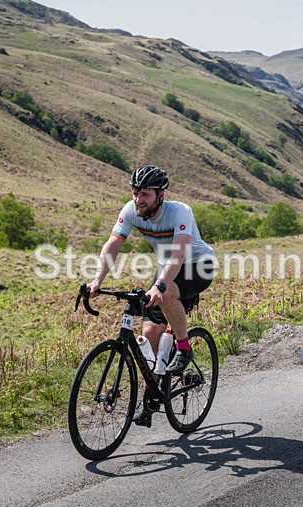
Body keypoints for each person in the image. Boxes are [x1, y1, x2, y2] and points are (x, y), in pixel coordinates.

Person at [87, 165, 216, 425]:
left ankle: (183, 346)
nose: (138, 200)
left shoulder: (179, 211)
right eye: (135, 193)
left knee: (166, 294)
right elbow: (112, 245)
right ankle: (152, 396)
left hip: (198, 265)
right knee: (149, 334)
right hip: (167, 269)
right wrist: (97, 280)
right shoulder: (131, 211)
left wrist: (159, 286)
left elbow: (179, 254)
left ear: (160, 196)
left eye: (145, 194)